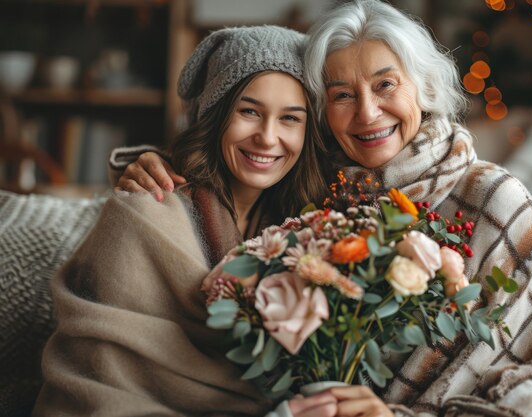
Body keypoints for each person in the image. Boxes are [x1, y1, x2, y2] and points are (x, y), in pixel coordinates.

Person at [111, 1, 532, 416]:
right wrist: (151, 163)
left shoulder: (493, 196)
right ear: (321, 114)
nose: (367, 113)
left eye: (385, 85)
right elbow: (220, 180)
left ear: (422, 88)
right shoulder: (314, 195)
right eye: (341, 95)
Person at [32, 25, 329, 416]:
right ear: (215, 116)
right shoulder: (145, 210)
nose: (268, 137)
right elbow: (100, 366)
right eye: (249, 112)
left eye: (290, 118)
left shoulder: (304, 224)